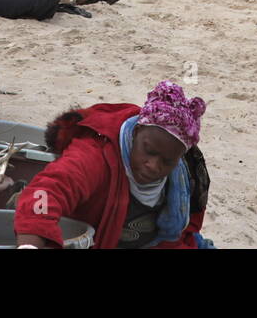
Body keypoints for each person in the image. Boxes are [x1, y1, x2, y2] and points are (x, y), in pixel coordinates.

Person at [14, 80, 212, 249]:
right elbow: (46, 191)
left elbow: (181, 237)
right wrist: (30, 243)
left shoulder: (185, 177)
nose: (153, 165)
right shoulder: (95, 155)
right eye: (149, 151)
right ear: (136, 132)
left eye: (167, 162)